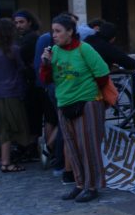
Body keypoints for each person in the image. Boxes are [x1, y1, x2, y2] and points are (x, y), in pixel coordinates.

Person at [40, 15, 112, 203]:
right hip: (64, 103)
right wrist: (46, 64)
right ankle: (79, 184)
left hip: (87, 102)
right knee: (71, 146)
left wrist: (87, 93)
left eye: (58, 31)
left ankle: (93, 185)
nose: (54, 35)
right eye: (52, 31)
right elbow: (46, 80)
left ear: (70, 31)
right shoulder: (54, 51)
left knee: (88, 146)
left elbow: (102, 73)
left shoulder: (84, 49)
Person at [0, 19, 30, 173]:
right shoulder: (14, 49)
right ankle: (10, 159)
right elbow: (21, 68)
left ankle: (5, 161)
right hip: (12, 91)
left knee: (3, 127)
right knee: (16, 125)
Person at [13, 10, 42, 162]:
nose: (18, 25)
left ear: (29, 22)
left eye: (21, 22)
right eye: (16, 22)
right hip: (28, 81)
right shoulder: (23, 38)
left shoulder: (30, 38)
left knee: (32, 117)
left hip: (32, 83)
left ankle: (32, 148)